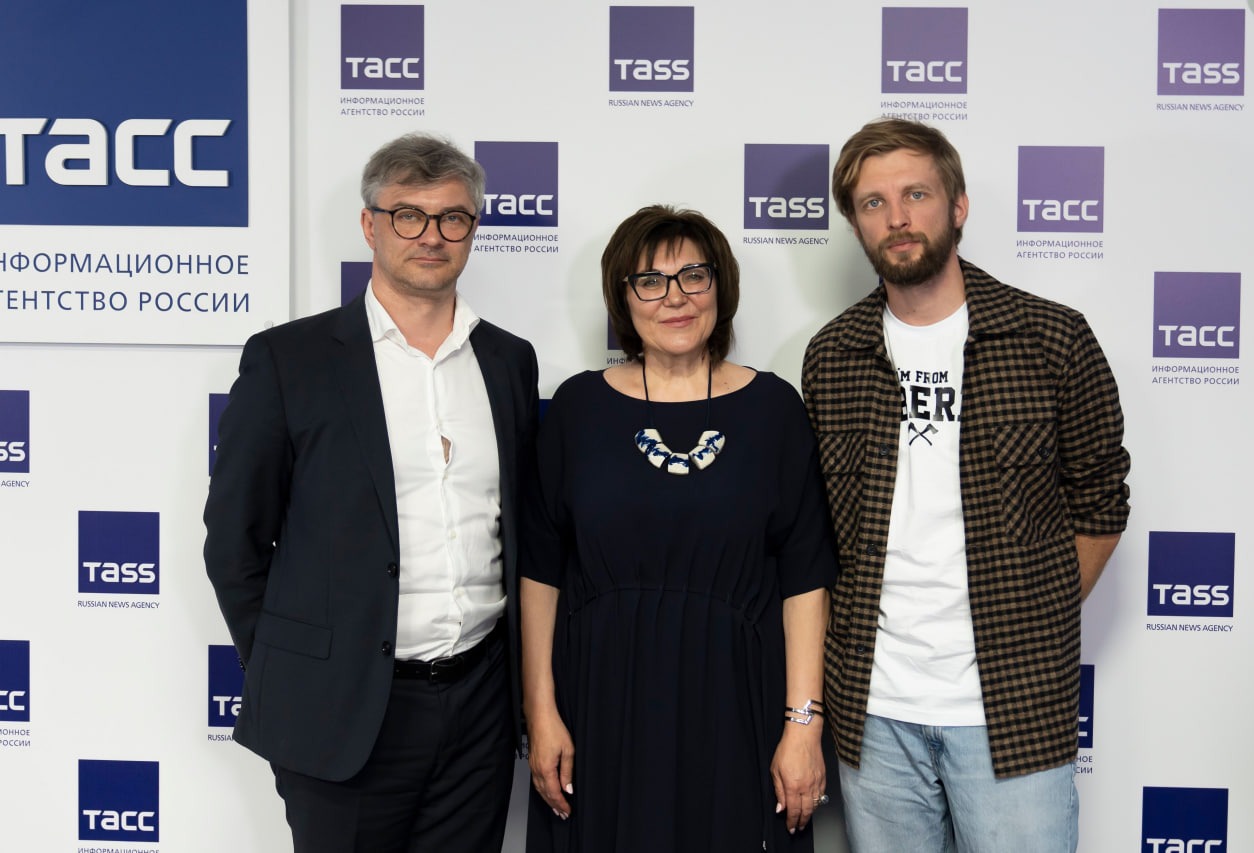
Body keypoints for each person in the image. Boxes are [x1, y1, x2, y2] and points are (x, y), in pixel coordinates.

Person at [203, 133, 539, 852]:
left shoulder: (509, 360)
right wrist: (297, 669)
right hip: (342, 709)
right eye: (408, 215)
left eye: (453, 217)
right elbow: (234, 541)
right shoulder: (290, 359)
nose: (432, 235)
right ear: (370, 225)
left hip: (481, 704)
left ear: (473, 229)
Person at [803, 117, 1130, 852]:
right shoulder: (832, 356)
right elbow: (821, 528)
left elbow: (1101, 503)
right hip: (874, 711)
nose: (898, 217)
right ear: (855, 224)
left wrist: (1032, 613)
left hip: (1013, 707)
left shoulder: (1050, 340)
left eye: (916, 194)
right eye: (874, 202)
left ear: (958, 205)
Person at [521, 205, 836, 852]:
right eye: (650, 281)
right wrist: (541, 710)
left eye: (694, 275)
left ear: (721, 287)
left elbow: (805, 579)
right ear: (622, 297)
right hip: (599, 707)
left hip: (736, 706)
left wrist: (804, 724)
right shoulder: (578, 407)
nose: (675, 298)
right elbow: (540, 572)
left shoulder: (774, 408)